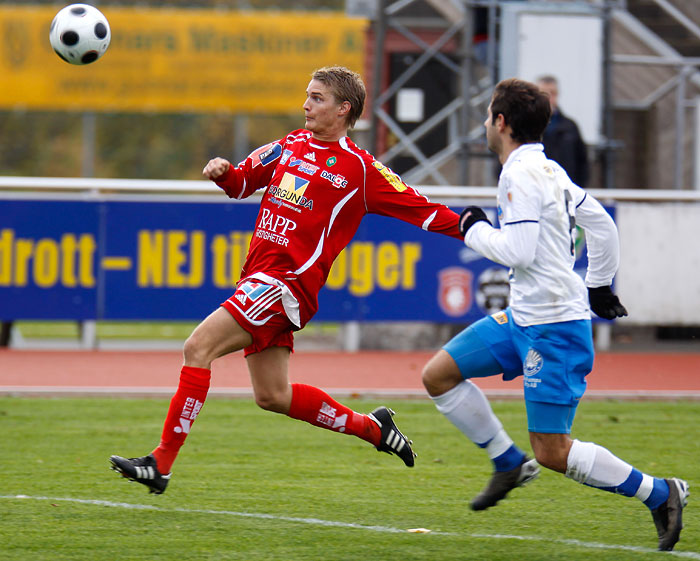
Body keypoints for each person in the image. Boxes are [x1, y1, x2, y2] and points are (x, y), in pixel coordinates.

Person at [109, 66, 463, 494]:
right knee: (273, 396)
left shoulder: (360, 169)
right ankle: (374, 429)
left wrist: (476, 228)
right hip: (259, 280)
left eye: (316, 98)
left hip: (285, 285)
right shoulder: (291, 144)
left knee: (197, 347)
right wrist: (224, 173)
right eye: (307, 96)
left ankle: (160, 464)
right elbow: (242, 183)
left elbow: (421, 208)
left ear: (342, 108)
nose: (306, 104)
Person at [421, 78, 689, 551]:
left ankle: (660, 492)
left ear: (501, 123)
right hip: (525, 317)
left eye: (488, 116)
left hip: (553, 328)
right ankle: (507, 462)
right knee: (439, 374)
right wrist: (600, 282)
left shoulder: (519, 175)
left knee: (552, 452)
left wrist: (473, 230)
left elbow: (518, 251)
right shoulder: (547, 169)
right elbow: (601, 223)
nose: (485, 124)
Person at [537, 75, 589, 188]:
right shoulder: (526, 126)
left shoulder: (570, 127)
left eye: (552, 93)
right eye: (543, 93)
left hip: (565, 191)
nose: (548, 98)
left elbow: (582, 162)